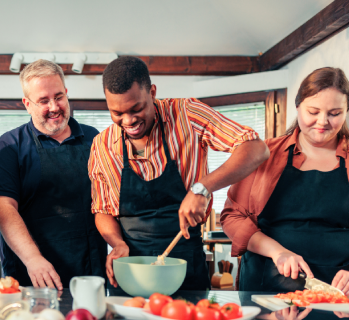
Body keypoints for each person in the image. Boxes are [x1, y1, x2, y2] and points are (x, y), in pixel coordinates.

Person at [91, 56, 269, 292]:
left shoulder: (187, 114)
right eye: (117, 113)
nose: (128, 120)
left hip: (186, 266)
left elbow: (256, 148)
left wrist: (202, 188)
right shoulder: (102, 145)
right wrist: (117, 244)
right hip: (131, 269)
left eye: (136, 109)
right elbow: (103, 210)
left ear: (152, 92)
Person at [222, 67, 349, 295]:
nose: (322, 122)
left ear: (347, 111)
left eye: (335, 113)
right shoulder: (263, 155)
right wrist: (278, 252)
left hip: (346, 295)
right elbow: (232, 216)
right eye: (313, 111)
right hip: (268, 288)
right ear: (297, 107)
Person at [0, 60, 108, 290]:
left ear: (67, 94)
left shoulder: (94, 139)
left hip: (90, 274)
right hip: (33, 276)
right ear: (27, 104)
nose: (54, 106)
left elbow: (109, 200)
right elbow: (2, 209)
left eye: (59, 96)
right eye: (43, 100)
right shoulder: (9, 146)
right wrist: (33, 259)